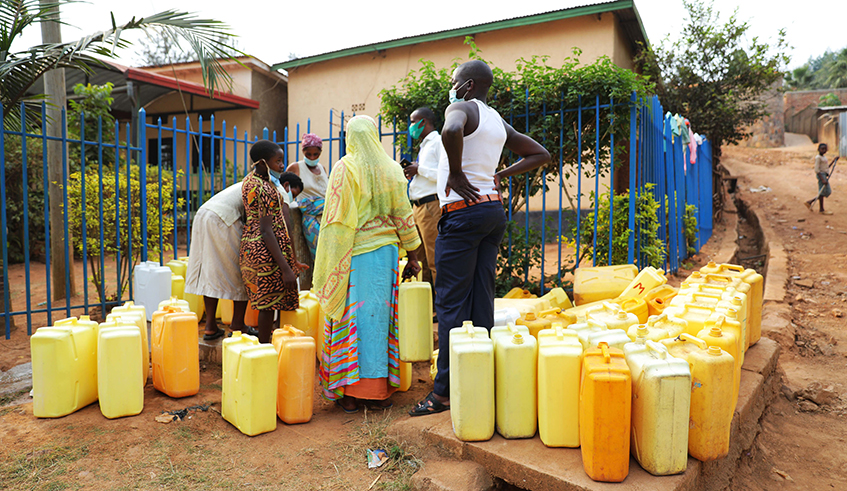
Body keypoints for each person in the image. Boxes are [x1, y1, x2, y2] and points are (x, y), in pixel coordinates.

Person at [410, 60, 550, 416]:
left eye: (454, 80)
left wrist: (456, 174)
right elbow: (539, 154)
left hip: (462, 214)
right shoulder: (496, 121)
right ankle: (480, 375)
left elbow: (450, 130)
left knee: (451, 303)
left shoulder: (459, 108)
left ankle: (443, 394)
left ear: (469, 85)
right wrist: (499, 172)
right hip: (491, 213)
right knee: (480, 298)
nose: (451, 86)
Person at [313, 115, 422, 413]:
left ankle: (349, 393)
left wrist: (330, 259)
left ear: (349, 137)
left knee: (351, 319)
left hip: (354, 255)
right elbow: (404, 214)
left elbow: (334, 219)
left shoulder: (344, 167)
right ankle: (378, 391)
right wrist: (413, 255)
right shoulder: (392, 170)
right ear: (375, 135)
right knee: (379, 319)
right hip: (386, 254)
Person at [240, 140, 302, 343]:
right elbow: (267, 231)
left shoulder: (250, 181)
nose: (282, 166)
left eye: (282, 161)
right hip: (266, 250)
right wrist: (285, 268)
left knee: (267, 299)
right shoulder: (264, 189)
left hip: (253, 246)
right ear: (262, 162)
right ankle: (265, 347)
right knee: (268, 303)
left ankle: (268, 344)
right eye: (278, 161)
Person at [184, 181, 254, 340]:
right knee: (241, 271)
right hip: (225, 218)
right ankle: (238, 325)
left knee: (209, 272)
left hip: (203, 214)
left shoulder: (248, 181)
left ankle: (210, 326)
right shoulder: (270, 187)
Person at [404, 107, 443, 289]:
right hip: (417, 207)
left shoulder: (438, 142)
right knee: (419, 260)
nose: (411, 126)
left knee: (435, 259)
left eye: (413, 121)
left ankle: (442, 310)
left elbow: (446, 174)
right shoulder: (425, 144)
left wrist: (419, 170)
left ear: (423, 122)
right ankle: (426, 306)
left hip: (431, 205)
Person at [288, 134, 328, 260]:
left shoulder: (323, 169)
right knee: (320, 256)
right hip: (311, 219)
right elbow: (284, 187)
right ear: (303, 152)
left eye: (315, 154)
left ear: (320, 153)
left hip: (326, 215)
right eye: (308, 154)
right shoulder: (296, 167)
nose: (312, 157)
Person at [805, 143, 837, 215]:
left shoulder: (824, 157)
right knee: (822, 192)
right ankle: (821, 209)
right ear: (818, 149)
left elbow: (826, 167)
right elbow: (817, 170)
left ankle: (810, 201)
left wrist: (834, 160)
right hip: (821, 176)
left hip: (824, 175)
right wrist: (822, 179)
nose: (824, 150)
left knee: (827, 192)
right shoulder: (818, 158)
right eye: (822, 149)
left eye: (825, 149)